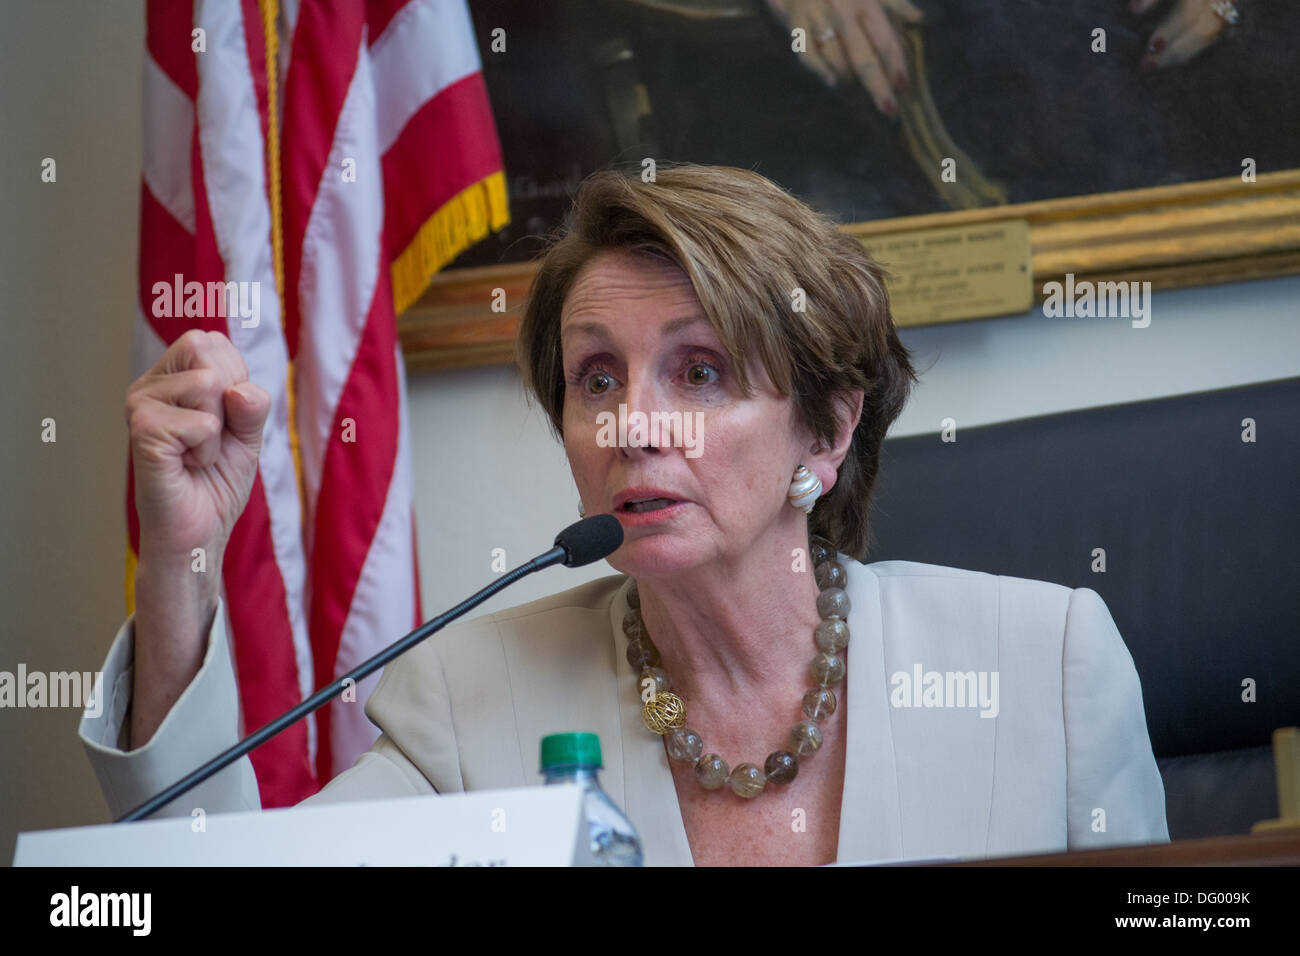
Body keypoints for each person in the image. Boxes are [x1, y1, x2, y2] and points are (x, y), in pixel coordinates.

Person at [81, 164, 1168, 866]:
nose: (630, 424)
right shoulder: (467, 706)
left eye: (698, 372)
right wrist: (182, 557)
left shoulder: (1047, 667)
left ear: (826, 431)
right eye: (595, 379)